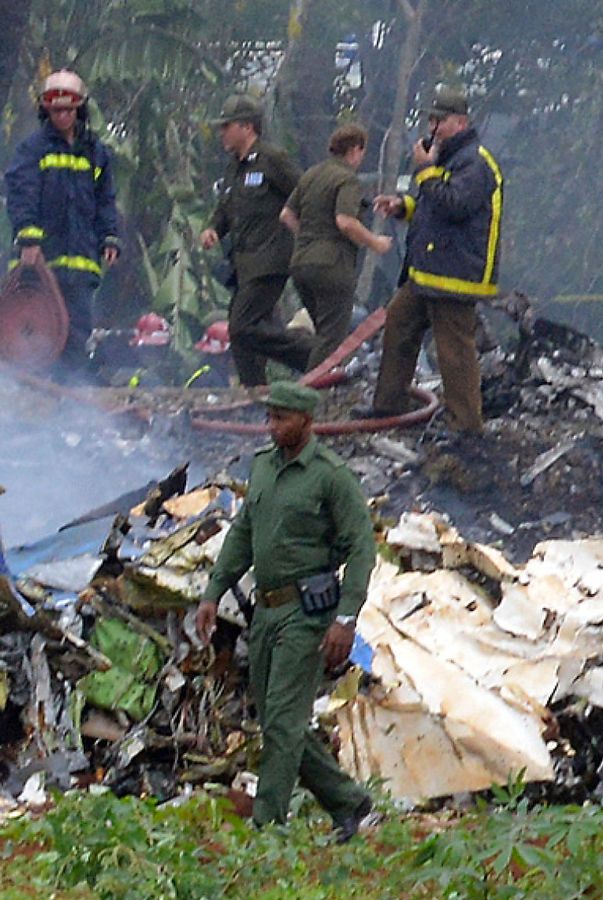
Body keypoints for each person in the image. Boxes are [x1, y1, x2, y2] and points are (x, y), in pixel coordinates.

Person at [194, 382, 375, 838]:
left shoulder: (330, 476)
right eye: (269, 417)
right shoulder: (262, 469)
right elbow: (242, 535)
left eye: (281, 418)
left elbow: (361, 549)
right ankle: (349, 801)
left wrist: (345, 619)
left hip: (308, 614)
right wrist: (213, 592)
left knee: (282, 721)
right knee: (280, 722)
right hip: (266, 612)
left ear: (306, 421)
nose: (271, 426)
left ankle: (267, 827)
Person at [371, 87, 504, 434]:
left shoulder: (475, 162)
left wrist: (426, 172)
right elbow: (434, 210)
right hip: (427, 273)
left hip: (456, 276)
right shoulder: (447, 159)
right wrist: (404, 207)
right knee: (398, 324)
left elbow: (456, 205)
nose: (432, 127)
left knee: (454, 352)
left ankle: (466, 427)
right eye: (430, 119)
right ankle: (387, 407)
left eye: (439, 120)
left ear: (461, 122)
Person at [4, 70, 121, 380]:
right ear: (46, 110)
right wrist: (28, 238)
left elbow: (105, 200)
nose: (62, 116)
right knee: (35, 337)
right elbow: (21, 193)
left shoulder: (96, 152)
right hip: (42, 264)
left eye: (68, 109)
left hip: (81, 265)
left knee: (76, 334)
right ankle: (33, 401)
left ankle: (68, 407)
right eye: (55, 110)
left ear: (79, 109)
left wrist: (110, 237)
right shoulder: (33, 149)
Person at [199, 95, 312, 387]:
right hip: (243, 264)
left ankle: (315, 357)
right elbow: (226, 208)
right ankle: (255, 396)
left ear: (247, 127)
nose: (222, 133)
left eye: (227, 126)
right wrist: (213, 229)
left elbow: (304, 193)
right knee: (245, 337)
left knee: (241, 327)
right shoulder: (234, 167)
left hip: (269, 260)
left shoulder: (272, 159)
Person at [279, 124, 393, 369]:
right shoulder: (347, 178)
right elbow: (345, 221)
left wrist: (309, 237)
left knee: (323, 334)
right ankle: (311, 396)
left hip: (301, 264)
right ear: (354, 150)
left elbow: (286, 215)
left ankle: (308, 386)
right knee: (332, 339)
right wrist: (376, 243)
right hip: (332, 267)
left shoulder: (311, 174)